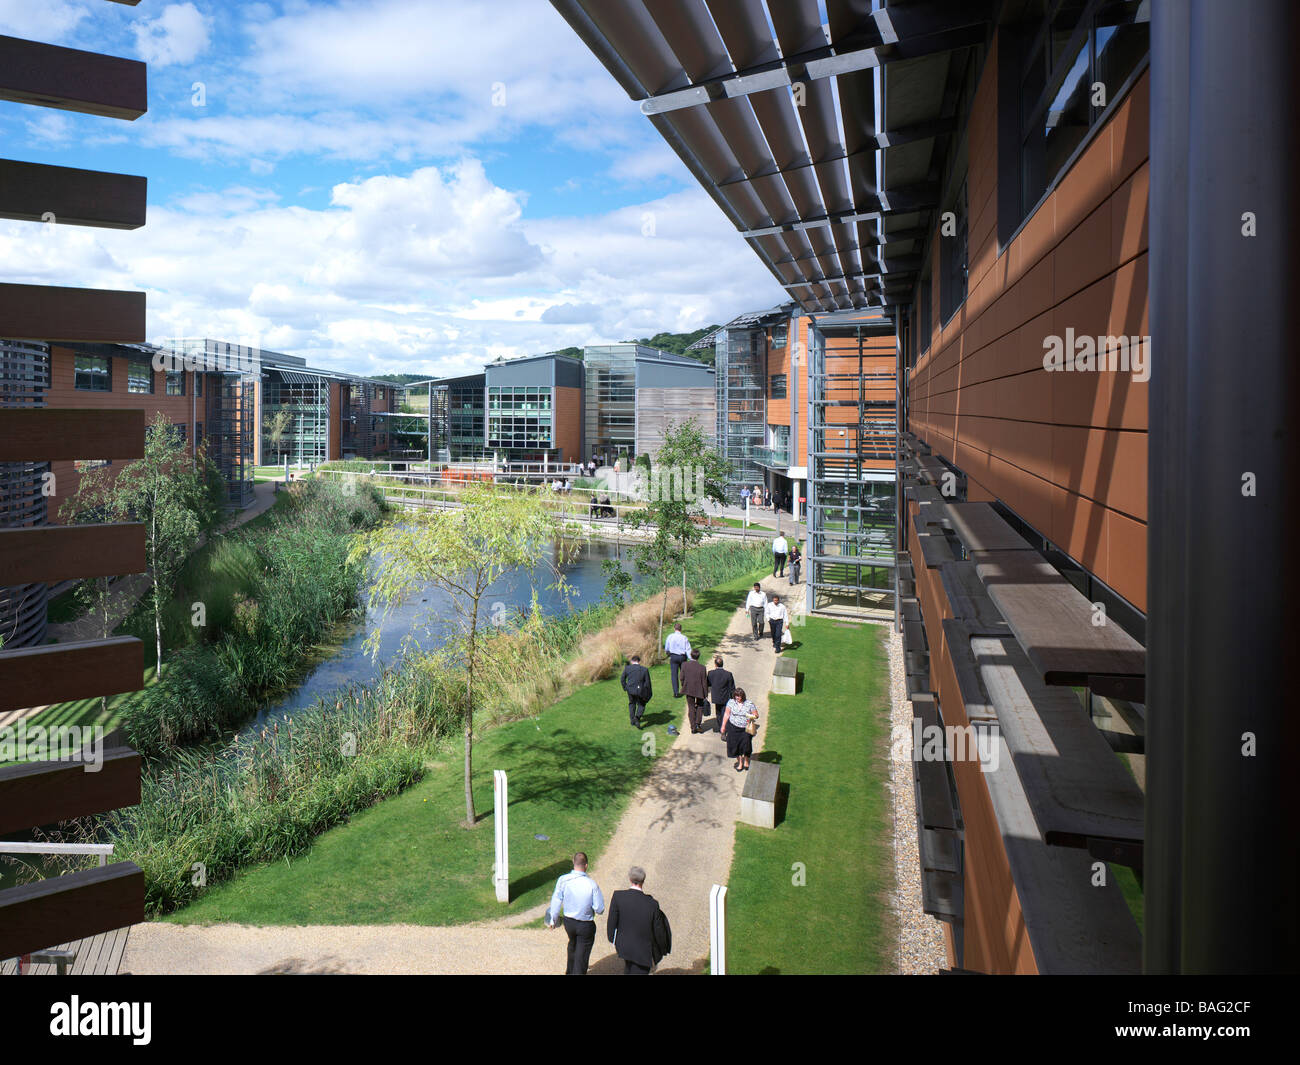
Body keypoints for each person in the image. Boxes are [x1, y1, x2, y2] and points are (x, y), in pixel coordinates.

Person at [545, 852, 605, 975]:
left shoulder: (563, 880)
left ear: (573, 862)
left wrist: (553, 920)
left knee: (573, 944)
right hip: (585, 924)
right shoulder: (592, 885)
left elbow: (556, 901)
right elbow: (599, 909)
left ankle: (569, 971)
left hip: (569, 923)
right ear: (586, 865)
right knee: (582, 955)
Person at [607, 866, 671, 975]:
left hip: (624, 946)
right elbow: (658, 929)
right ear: (643, 881)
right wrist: (662, 948)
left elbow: (611, 922)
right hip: (642, 951)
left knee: (628, 969)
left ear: (630, 879)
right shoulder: (652, 904)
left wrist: (613, 939)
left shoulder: (618, 897)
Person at [721, 687, 759, 771]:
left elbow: (756, 715)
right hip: (733, 728)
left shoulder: (749, 704)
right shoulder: (731, 702)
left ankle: (746, 761)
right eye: (736, 696)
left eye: (739, 696)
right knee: (734, 746)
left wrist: (750, 717)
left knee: (746, 747)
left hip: (745, 729)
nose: (737, 698)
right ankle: (740, 763)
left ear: (743, 696)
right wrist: (723, 726)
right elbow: (727, 714)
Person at [680, 648, 709, 734]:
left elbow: (681, 677)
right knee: (700, 706)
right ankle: (697, 724)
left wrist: (683, 685)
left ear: (691, 656)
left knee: (691, 707)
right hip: (699, 690)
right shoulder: (702, 668)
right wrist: (705, 693)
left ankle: (693, 727)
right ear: (698, 657)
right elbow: (704, 682)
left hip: (689, 689)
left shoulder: (684, 665)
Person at [620, 654, 652, 728]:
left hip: (630, 690)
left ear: (632, 661)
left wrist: (625, 687)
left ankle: (632, 720)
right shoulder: (644, 669)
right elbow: (647, 683)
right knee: (642, 704)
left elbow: (622, 679)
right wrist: (648, 693)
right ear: (639, 661)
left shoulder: (627, 668)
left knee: (632, 703)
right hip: (640, 691)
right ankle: (637, 718)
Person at [706, 655, 735, 734]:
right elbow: (732, 688)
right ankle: (724, 728)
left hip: (716, 697)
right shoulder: (728, 674)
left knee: (718, 713)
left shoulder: (711, 673)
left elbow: (708, 684)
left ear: (715, 664)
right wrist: (734, 699)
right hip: (726, 697)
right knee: (725, 713)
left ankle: (721, 727)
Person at [664, 622, 691, 698]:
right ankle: (685, 689)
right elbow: (688, 649)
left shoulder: (670, 637)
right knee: (684, 674)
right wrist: (691, 659)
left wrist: (668, 653)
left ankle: (676, 692)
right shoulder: (684, 637)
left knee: (674, 675)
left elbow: (667, 648)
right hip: (682, 657)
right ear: (681, 629)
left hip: (673, 657)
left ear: (674, 629)